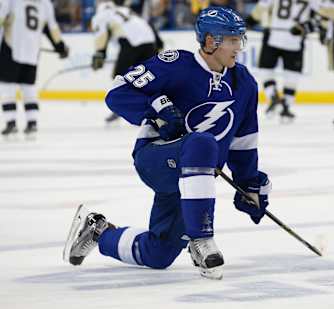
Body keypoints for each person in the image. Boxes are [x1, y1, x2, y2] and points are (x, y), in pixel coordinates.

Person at [63, 6, 272, 280]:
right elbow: (117, 94)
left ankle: (99, 232)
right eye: (232, 40)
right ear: (211, 41)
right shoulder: (175, 64)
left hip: (192, 178)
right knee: (202, 143)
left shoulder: (244, 82)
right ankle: (202, 241)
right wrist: (157, 106)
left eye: (239, 39)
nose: (239, 47)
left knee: (158, 254)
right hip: (156, 157)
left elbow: (243, 142)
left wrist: (249, 184)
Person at [0, 0, 69, 136]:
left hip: (11, 48)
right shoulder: (45, 3)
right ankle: (32, 122)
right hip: (32, 52)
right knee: (29, 87)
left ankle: (11, 122)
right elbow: (51, 28)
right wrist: (60, 46)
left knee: (7, 86)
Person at [91, 0, 164, 123]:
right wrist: (159, 44)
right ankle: (160, 108)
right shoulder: (125, 11)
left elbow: (101, 35)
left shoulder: (101, 15)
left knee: (119, 78)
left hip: (131, 43)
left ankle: (121, 109)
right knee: (149, 77)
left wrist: (100, 54)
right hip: (150, 41)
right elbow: (145, 24)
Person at [245, 0, 316, 121]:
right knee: (292, 75)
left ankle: (273, 96)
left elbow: (261, 8)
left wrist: (250, 21)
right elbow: (321, 15)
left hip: (274, 34)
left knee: (265, 69)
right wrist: (308, 27)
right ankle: (286, 107)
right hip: (295, 37)